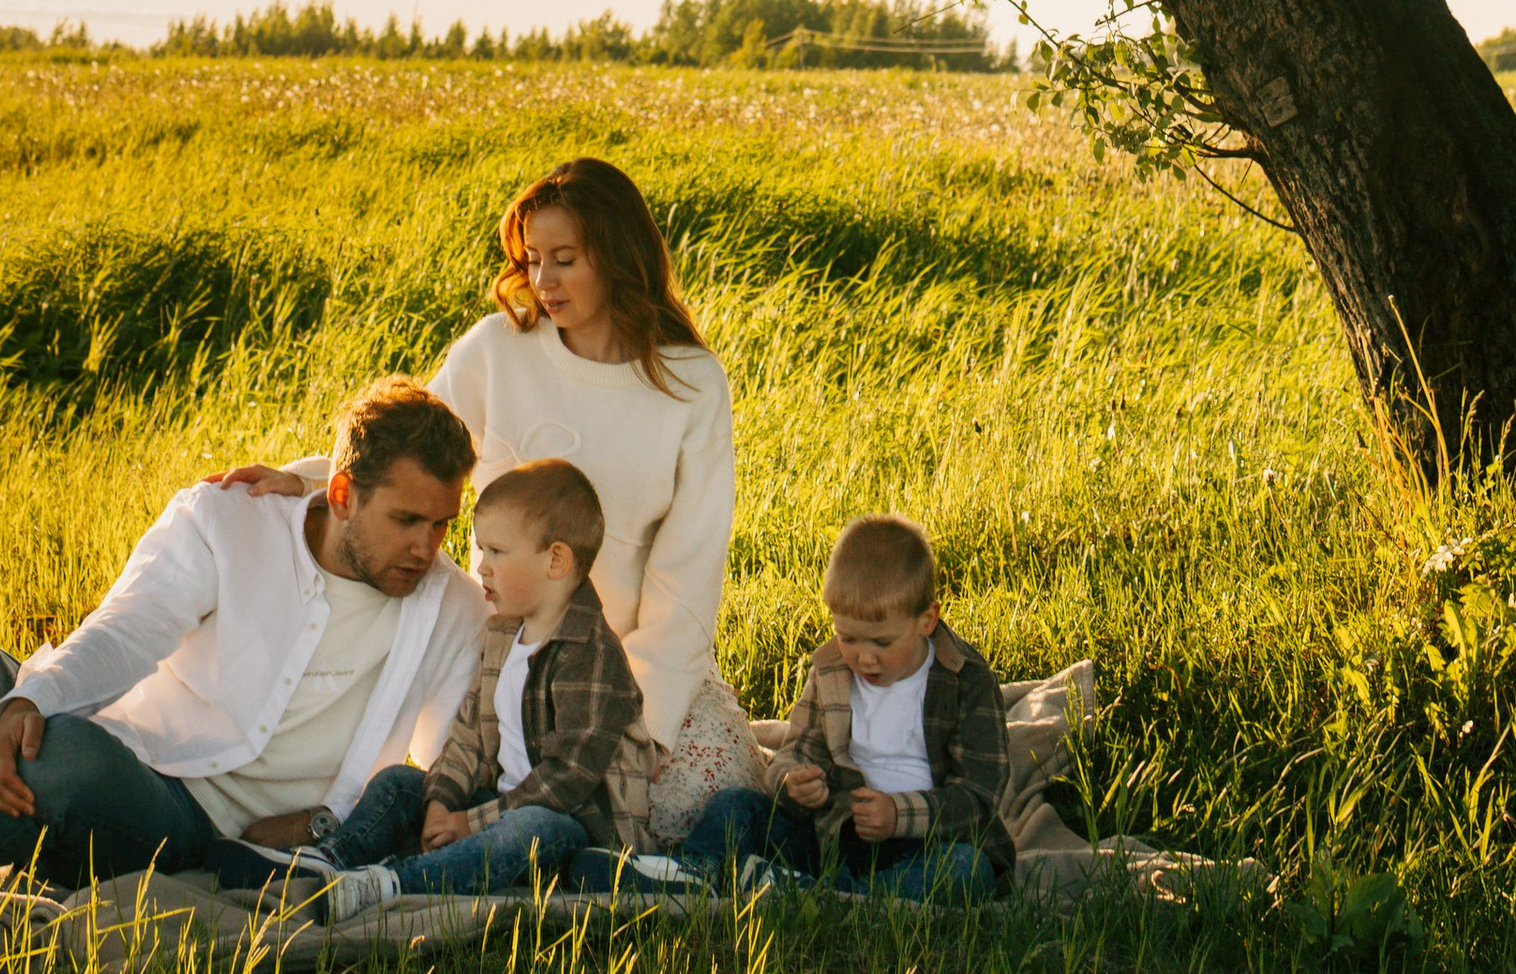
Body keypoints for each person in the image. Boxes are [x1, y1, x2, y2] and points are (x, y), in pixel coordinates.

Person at [0, 375, 483, 974]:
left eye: (444, 525)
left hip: (189, 825)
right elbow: (129, 628)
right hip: (116, 738)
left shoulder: (449, 608)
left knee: (65, 761)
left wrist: (328, 827)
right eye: (407, 520)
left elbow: (452, 764)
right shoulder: (231, 521)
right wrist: (29, 701)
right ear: (343, 494)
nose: (426, 548)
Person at [217, 158, 753, 844]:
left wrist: (640, 726)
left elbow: (689, 576)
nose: (543, 282)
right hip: (508, 656)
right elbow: (410, 451)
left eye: (565, 259)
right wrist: (311, 479)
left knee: (709, 813)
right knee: (458, 805)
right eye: (531, 260)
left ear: (620, 258)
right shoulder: (498, 350)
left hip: (627, 671)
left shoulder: (691, 383)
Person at [293, 457, 649, 916]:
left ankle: (392, 885)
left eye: (497, 552)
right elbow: (469, 736)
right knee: (401, 783)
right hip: (501, 808)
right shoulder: (501, 635)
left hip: (580, 834)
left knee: (530, 828)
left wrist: (472, 821)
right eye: (481, 552)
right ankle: (330, 862)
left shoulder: (592, 654)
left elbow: (569, 778)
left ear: (556, 560)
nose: (481, 568)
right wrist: (444, 801)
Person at [691, 512, 1010, 902]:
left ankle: (829, 898)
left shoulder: (966, 681)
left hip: (927, 842)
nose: (864, 659)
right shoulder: (831, 670)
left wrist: (897, 815)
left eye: (881, 643)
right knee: (735, 806)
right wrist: (793, 784)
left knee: (966, 869)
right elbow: (795, 751)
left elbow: (979, 798)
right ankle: (694, 874)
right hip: (834, 834)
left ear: (927, 620)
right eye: (848, 638)